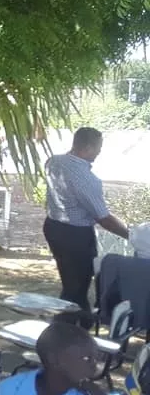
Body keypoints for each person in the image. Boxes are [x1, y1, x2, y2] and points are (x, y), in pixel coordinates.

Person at [43, 126, 129, 325]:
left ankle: (82, 321)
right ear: (88, 147)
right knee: (78, 284)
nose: (99, 152)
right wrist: (131, 235)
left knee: (70, 278)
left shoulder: (53, 162)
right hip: (75, 235)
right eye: (99, 148)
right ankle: (65, 330)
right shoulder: (86, 179)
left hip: (53, 227)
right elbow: (103, 218)